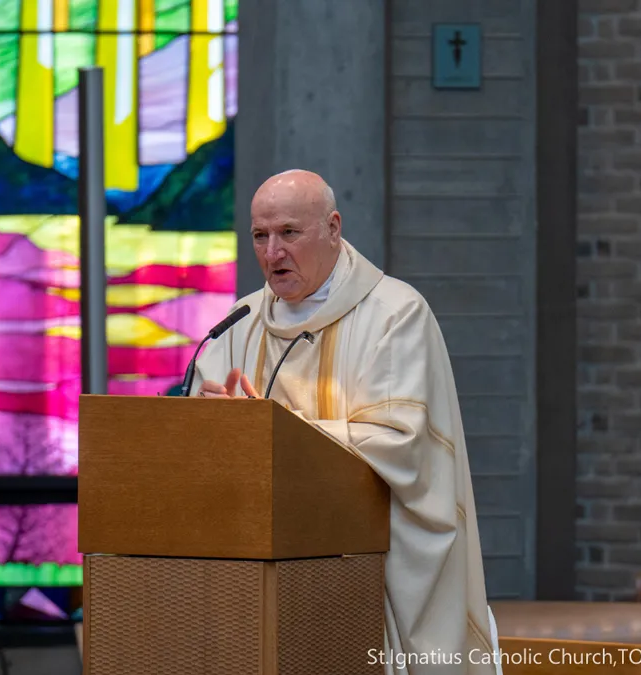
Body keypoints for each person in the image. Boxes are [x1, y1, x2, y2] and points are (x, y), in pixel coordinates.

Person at [190, 170, 502, 675]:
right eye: (260, 236)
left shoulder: (395, 315)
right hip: (255, 579)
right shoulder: (240, 323)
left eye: (289, 233)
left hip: (368, 568)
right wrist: (214, 427)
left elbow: (399, 443)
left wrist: (269, 430)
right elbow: (197, 440)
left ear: (333, 228)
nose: (272, 252)